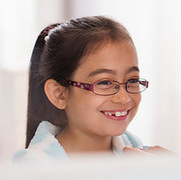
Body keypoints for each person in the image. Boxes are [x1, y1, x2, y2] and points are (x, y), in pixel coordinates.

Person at [14, 16, 151, 162]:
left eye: (132, 80)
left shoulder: (137, 151)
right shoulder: (36, 169)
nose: (124, 98)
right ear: (59, 94)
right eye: (104, 83)